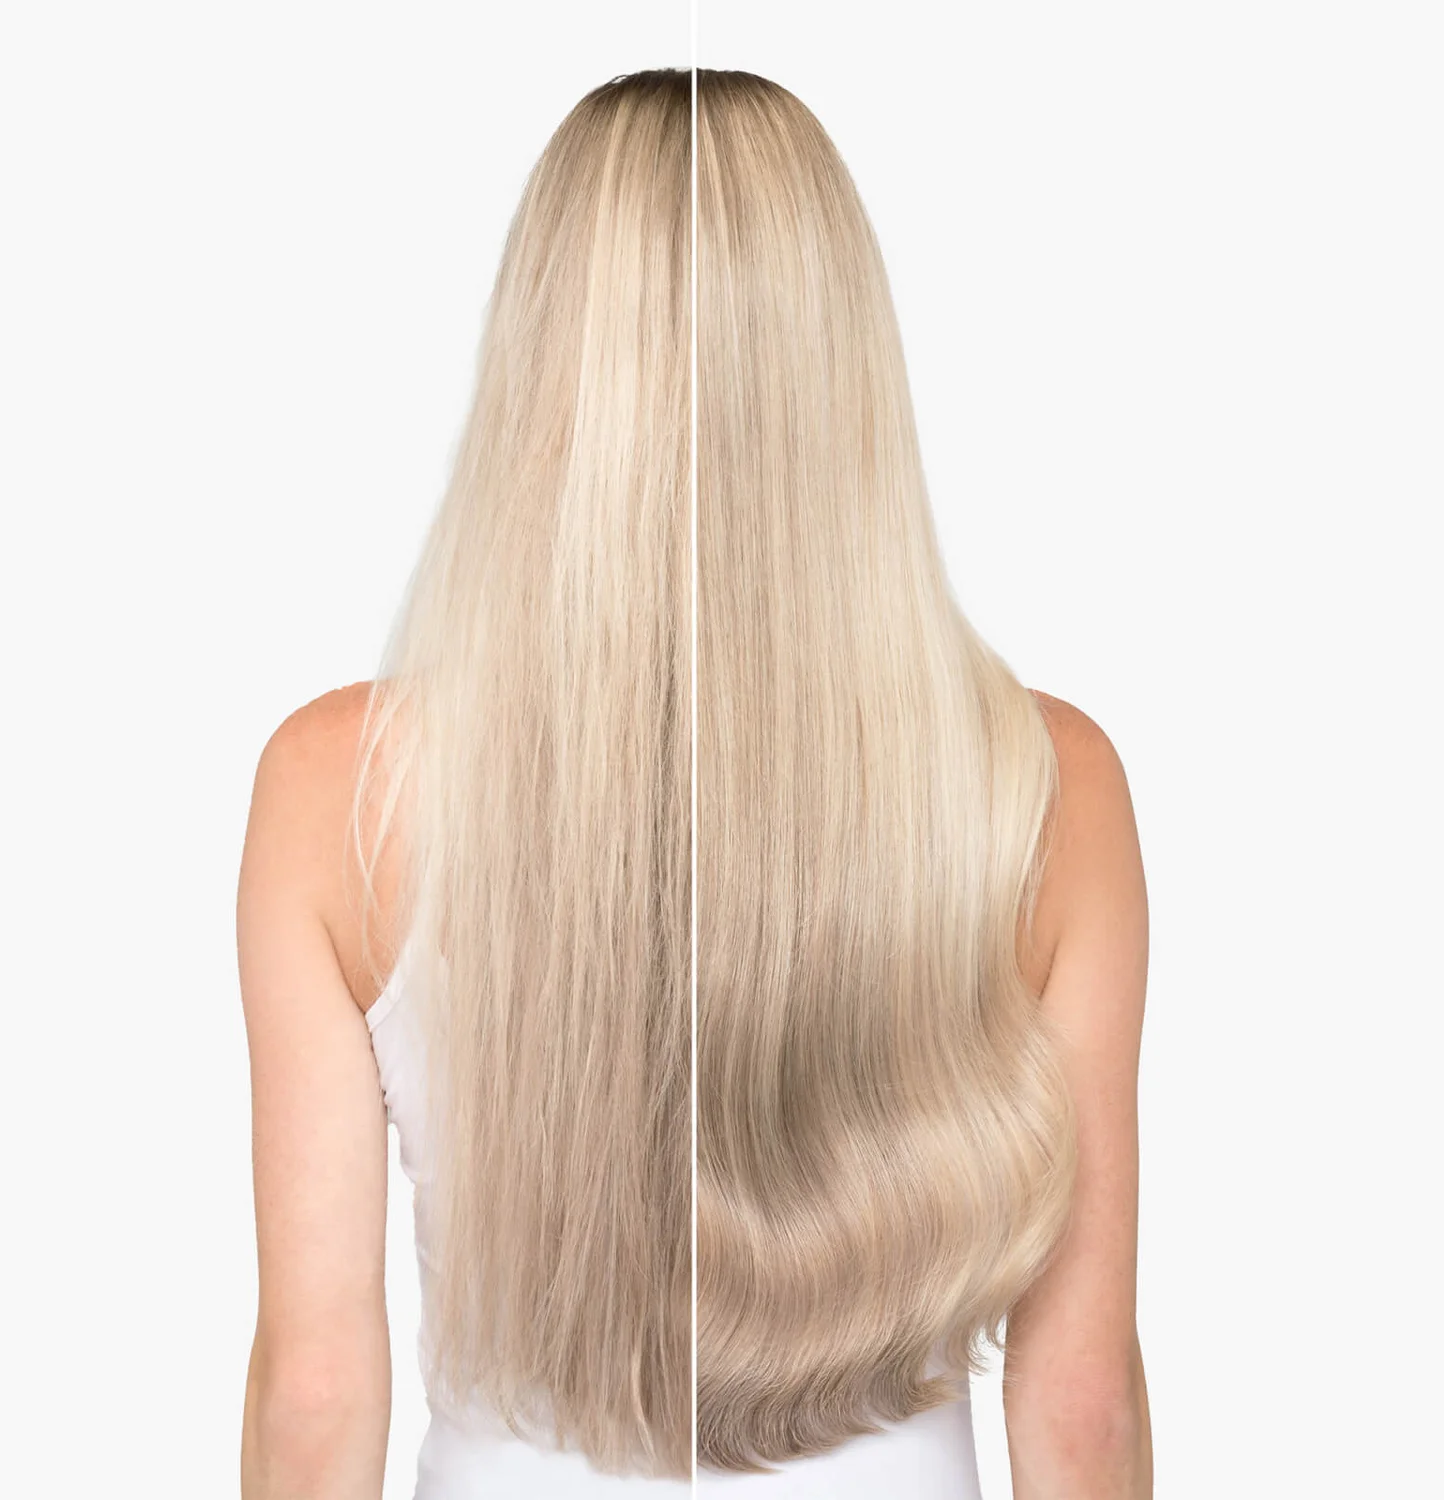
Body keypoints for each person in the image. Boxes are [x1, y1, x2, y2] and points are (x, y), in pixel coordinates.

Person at [237, 68, 1151, 1500]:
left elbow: (315, 1396)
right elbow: (1082, 1409)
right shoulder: (1045, 793)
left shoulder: (337, 792)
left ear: (545, 361)